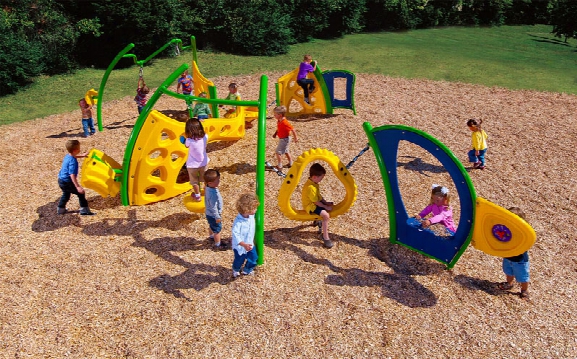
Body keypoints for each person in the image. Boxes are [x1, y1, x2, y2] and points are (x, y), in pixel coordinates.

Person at [498, 207, 531, 300]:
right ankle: (509, 283)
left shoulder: (521, 234)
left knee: (522, 276)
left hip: (520, 260)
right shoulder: (505, 231)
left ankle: (524, 290)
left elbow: (526, 243)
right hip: (508, 257)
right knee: (509, 272)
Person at [57, 140, 95, 215]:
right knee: (81, 193)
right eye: (79, 148)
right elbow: (72, 175)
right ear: (75, 150)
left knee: (66, 194)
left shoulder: (68, 156)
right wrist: (77, 186)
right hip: (67, 182)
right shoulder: (73, 162)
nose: (80, 149)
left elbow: (74, 155)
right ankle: (84, 211)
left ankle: (60, 209)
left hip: (61, 180)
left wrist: (83, 155)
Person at [302, 163, 334, 248]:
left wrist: (325, 202)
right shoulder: (310, 187)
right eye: (321, 178)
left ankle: (317, 220)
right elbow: (316, 202)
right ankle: (325, 237)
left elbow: (319, 196)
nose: (321, 180)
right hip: (311, 206)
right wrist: (325, 206)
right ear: (315, 177)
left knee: (325, 209)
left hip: (315, 203)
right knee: (326, 216)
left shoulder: (314, 183)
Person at [231, 193, 260, 278]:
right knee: (239, 260)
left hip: (250, 244)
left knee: (254, 258)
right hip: (240, 247)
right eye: (254, 208)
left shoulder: (250, 216)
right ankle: (236, 269)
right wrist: (243, 244)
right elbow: (235, 234)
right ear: (247, 209)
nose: (256, 210)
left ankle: (247, 270)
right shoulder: (238, 222)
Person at [183, 118, 209, 201]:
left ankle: (197, 196)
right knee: (205, 179)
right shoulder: (205, 137)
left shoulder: (189, 141)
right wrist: (200, 123)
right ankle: (206, 192)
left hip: (192, 165)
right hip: (203, 163)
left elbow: (186, 145)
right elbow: (204, 133)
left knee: (194, 181)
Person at [204, 169, 227, 250]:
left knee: (211, 225)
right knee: (217, 229)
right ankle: (218, 244)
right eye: (217, 180)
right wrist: (217, 217)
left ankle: (211, 236)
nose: (219, 181)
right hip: (213, 214)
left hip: (209, 213)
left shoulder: (208, 187)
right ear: (210, 183)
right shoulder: (212, 193)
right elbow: (213, 206)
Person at [272, 105, 298, 171]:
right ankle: (291, 163)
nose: (274, 116)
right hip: (283, 138)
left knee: (278, 152)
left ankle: (279, 166)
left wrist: (296, 138)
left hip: (285, 139)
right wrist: (275, 133)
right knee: (286, 151)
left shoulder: (285, 123)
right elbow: (279, 128)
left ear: (280, 115)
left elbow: (293, 129)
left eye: (275, 114)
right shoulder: (279, 121)